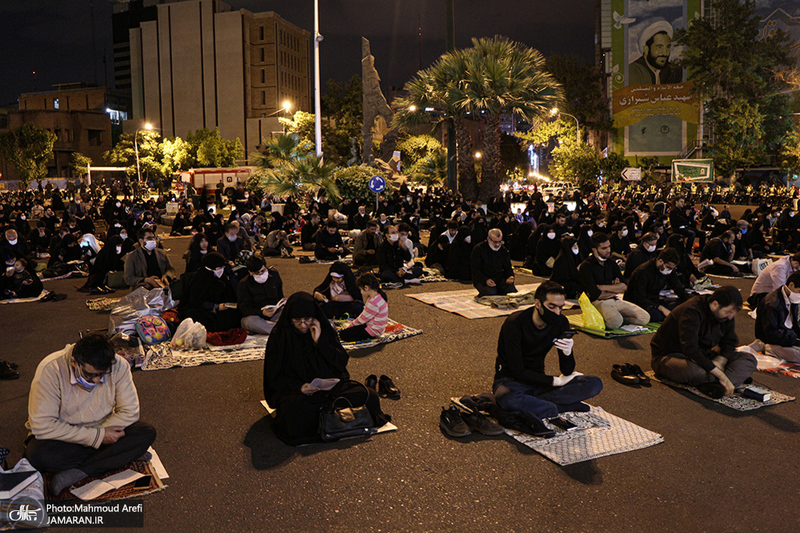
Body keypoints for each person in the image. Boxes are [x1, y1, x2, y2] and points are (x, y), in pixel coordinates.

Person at [24, 334, 157, 496]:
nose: (96, 381)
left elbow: (130, 412)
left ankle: (80, 472)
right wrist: (95, 437)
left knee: (146, 432)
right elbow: (43, 426)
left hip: (104, 428)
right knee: (38, 455)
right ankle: (119, 456)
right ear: (74, 362)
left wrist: (102, 433)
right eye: (90, 375)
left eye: (102, 374)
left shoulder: (119, 365)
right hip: (66, 435)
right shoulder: (51, 369)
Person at [262, 292, 388, 445]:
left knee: (370, 396)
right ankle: (332, 420)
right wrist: (299, 387)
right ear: (289, 319)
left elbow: (341, 362)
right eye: (297, 321)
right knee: (292, 410)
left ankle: (325, 420)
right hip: (298, 392)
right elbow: (274, 376)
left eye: (307, 320)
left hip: (330, 390)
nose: (303, 325)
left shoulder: (324, 330)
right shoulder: (280, 336)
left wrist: (320, 342)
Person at [493, 281, 603, 424]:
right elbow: (516, 370)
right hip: (511, 380)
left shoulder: (560, 322)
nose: (557, 312)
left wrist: (567, 352)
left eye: (561, 307)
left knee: (594, 383)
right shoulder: (515, 323)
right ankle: (560, 407)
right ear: (538, 303)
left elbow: (566, 370)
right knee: (508, 398)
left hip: (539, 381)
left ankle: (538, 405)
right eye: (552, 307)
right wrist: (555, 381)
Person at [650, 286, 756, 398]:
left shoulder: (725, 316)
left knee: (749, 360)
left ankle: (713, 384)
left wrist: (721, 360)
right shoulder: (691, 310)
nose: (731, 317)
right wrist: (720, 374)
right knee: (697, 372)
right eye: (728, 312)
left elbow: (730, 342)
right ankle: (727, 380)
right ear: (715, 304)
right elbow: (690, 348)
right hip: (672, 356)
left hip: (705, 356)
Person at [578, 232, 650, 330]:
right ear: (594, 250)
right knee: (615, 322)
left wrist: (602, 287)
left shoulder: (611, 263)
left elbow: (624, 286)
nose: (608, 250)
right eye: (604, 248)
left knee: (644, 318)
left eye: (609, 247)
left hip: (614, 300)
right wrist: (615, 288)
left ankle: (615, 317)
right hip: (597, 303)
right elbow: (595, 295)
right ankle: (614, 318)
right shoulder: (586, 266)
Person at [178, 252, 240, 332]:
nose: (222, 269)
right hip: (202, 309)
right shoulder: (200, 278)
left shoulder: (221, 276)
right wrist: (215, 306)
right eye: (219, 267)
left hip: (220, 308)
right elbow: (195, 300)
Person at [624, 248, 689, 322]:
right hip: (639, 303)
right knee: (655, 315)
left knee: (680, 305)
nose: (670, 270)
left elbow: (678, 288)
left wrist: (688, 302)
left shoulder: (669, 271)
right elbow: (640, 298)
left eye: (672, 268)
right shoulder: (643, 271)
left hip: (654, 301)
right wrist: (661, 308)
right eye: (668, 267)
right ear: (661, 261)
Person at [754, 271, 800, 362]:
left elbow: (794, 324)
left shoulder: (792, 297)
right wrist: (795, 339)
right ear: (791, 285)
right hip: (773, 340)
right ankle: (768, 348)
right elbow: (771, 334)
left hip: (787, 335)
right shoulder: (772, 303)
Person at [237, 255, 284, 335]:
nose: (261, 274)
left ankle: (277, 328)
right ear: (250, 273)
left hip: (275, 313)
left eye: (263, 271)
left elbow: (280, 297)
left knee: (292, 311)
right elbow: (244, 309)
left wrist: (279, 306)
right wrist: (262, 312)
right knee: (249, 322)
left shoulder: (274, 275)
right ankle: (280, 330)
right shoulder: (244, 284)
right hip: (256, 316)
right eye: (257, 273)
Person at [628, 20, 682, 85]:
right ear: (646, 49)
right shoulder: (633, 71)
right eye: (659, 47)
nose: (665, 53)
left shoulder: (674, 71)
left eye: (667, 47)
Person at [339, 273, 388, 342]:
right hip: (375, 327)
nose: (361, 292)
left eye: (361, 290)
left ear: (366, 288)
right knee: (350, 330)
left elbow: (362, 319)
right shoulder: (378, 296)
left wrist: (351, 326)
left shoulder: (374, 302)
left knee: (344, 334)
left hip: (373, 330)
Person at [471, 228, 516, 297]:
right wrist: (485, 280)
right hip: (483, 279)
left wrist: (510, 276)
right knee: (491, 294)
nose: (498, 245)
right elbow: (475, 270)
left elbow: (508, 267)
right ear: (488, 239)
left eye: (500, 242)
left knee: (512, 293)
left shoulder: (503, 250)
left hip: (499, 278)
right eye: (495, 242)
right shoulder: (479, 249)